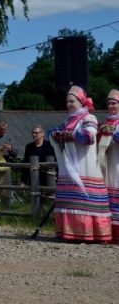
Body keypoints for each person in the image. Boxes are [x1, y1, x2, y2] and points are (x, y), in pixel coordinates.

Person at [49, 85, 111, 242]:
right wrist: (55, 134)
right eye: (67, 102)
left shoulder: (89, 118)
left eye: (72, 101)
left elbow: (89, 137)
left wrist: (69, 135)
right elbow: (54, 131)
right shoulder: (68, 120)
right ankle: (69, 233)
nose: (69, 104)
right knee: (71, 198)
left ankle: (90, 233)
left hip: (86, 166)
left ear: (82, 102)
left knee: (86, 198)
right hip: (70, 167)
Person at [98, 89, 119, 243]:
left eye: (114, 103)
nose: (111, 106)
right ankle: (108, 232)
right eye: (109, 103)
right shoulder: (106, 121)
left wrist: (114, 133)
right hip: (108, 162)